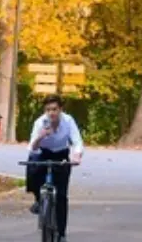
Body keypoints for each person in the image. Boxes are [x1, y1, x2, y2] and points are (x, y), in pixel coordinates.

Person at [26, 95, 84, 242]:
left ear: (60, 110)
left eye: (54, 109)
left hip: (61, 155)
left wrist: (76, 156)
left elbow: (77, 142)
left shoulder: (68, 121)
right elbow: (33, 147)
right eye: (48, 110)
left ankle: (61, 233)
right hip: (43, 153)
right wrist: (40, 137)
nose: (51, 113)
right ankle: (39, 199)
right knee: (32, 165)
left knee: (61, 196)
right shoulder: (40, 122)